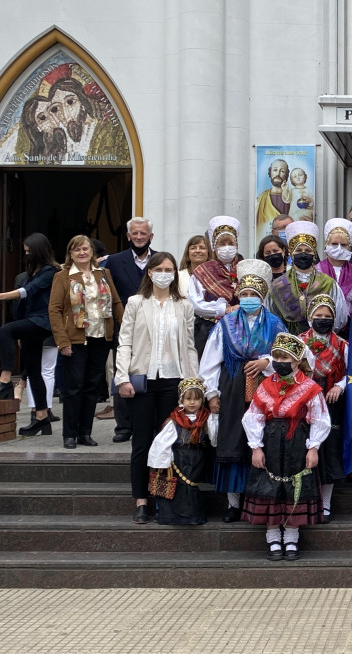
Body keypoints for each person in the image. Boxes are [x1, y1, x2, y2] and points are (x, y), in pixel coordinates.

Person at [115, 251, 199, 524]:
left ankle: (164, 495)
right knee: (141, 440)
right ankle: (140, 499)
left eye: (170, 269)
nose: (165, 273)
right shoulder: (136, 303)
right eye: (160, 268)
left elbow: (188, 346)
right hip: (142, 379)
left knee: (168, 439)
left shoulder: (183, 305)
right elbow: (125, 341)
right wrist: (122, 377)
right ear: (149, 272)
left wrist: (193, 382)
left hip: (173, 381)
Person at [199, 259, 285, 523]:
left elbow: (285, 358)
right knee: (233, 439)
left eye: (254, 295)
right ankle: (233, 503)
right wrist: (212, 394)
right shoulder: (225, 324)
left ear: (262, 297)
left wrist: (266, 362)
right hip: (233, 387)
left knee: (262, 440)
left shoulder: (274, 323)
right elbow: (210, 361)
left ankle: (258, 500)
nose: (249, 299)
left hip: (265, 389)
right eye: (245, 294)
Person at [242, 332, 330, 561]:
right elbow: (253, 416)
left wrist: (313, 448)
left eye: (286, 359)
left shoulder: (309, 387)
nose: (281, 363)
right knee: (269, 490)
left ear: (298, 361)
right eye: (277, 358)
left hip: (297, 443)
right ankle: (273, 539)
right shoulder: (265, 386)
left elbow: (320, 418)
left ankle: (291, 538)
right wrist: (256, 447)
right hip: (270, 443)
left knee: (294, 490)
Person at [48, 235, 124, 448]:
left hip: (101, 337)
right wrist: (62, 341)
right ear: (70, 254)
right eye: (77, 250)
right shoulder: (62, 277)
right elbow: (54, 310)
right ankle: (69, 434)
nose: (82, 253)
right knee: (74, 388)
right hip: (75, 339)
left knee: (92, 388)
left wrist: (126, 328)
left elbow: (116, 302)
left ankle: (85, 433)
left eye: (85, 249)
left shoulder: (104, 274)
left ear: (92, 251)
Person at [102, 216, 157, 442]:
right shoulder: (114, 261)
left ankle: (151, 424)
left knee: (152, 373)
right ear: (128, 236)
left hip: (155, 327)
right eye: (135, 233)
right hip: (123, 327)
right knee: (122, 372)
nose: (139, 237)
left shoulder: (160, 260)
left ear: (150, 236)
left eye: (143, 233)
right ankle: (124, 427)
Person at [0, 234, 60, 435]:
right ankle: (42, 418)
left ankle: (5, 380)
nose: (26, 255)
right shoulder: (34, 272)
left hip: (42, 321)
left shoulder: (50, 271)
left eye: (28, 252)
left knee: (6, 329)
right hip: (31, 322)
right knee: (34, 372)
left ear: (38, 251)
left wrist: (2, 296)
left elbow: (27, 292)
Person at [298, 294, 348, 523]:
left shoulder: (342, 344)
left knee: (328, 453)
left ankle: (326, 504)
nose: (322, 319)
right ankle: (307, 501)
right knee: (304, 453)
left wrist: (339, 385)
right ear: (310, 317)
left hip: (330, 403)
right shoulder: (297, 342)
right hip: (304, 405)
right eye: (318, 315)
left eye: (327, 316)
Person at [146, 377, 218, 525]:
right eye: (188, 399)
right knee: (180, 486)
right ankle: (176, 516)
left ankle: (193, 515)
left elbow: (214, 438)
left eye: (197, 399)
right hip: (179, 458)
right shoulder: (174, 420)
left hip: (197, 458)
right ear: (181, 399)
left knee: (191, 487)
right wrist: (162, 463)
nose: (192, 402)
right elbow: (161, 444)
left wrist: (215, 418)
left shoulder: (206, 418)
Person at [268, 221, 348, 335]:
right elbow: (271, 317)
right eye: (299, 251)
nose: (303, 254)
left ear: (314, 254)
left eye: (308, 250)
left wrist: (323, 334)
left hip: (322, 339)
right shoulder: (278, 285)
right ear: (291, 253)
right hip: (288, 342)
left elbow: (340, 317)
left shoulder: (329, 283)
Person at [189, 216, 243, 356]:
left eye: (230, 243)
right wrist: (224, 309)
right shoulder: (203, 271)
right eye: (222, 244)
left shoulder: (245, 268)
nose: (227, 248)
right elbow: (196, 303)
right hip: (208, 328)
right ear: (214, 246)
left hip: (241, 329)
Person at [317, 218, 352, 322]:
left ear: (349, 246)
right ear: (327, 244)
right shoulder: (316, 270)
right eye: (334, 244)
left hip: (350, 326)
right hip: (322, 323)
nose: (339, 248)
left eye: (343, 245)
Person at [256, 158, 291, 235]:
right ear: (270, 173)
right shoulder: (261, 197)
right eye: (275, 170)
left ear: (286, 175)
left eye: (282, 171)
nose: (278, 174)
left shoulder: (291, 196)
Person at [177, 235, 210, 299]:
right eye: (193, 248)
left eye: (202, 248)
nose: (197, 251)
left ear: (208, 253)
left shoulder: (216, 276)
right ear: (187, 254)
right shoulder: (178, 276)